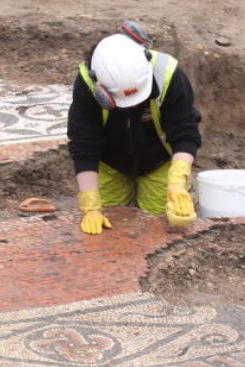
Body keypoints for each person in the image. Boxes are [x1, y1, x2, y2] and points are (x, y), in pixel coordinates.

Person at [67, 20, 203, 234]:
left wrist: (178, 181)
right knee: (110, 230)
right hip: (110, 162)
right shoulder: (87, 85)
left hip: (159, 161)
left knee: (163, 229)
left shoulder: (167, 74)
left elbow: (185, 133)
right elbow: (84, 145)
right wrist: (90, 205)